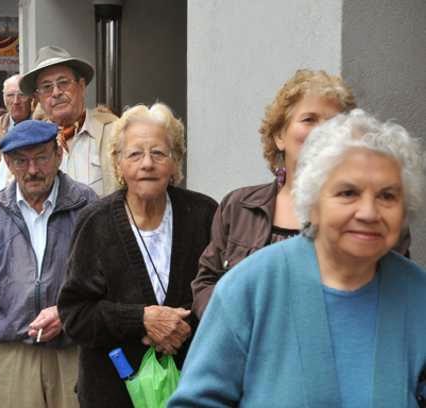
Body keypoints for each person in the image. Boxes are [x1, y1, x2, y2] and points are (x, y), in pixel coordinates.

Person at [169, 109, 426, 407]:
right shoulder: (251, 288)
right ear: (313, 202)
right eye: (348, 193)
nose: (369, 212)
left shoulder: (418, 295)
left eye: (387, 196)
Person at [191, 70, 411, 318]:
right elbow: (206, 282)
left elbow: (395, 293)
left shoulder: (376, 215)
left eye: (333, 123)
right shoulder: (238, 206)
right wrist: (238, 323)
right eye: (309, 119)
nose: (321, 131)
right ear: (279, 136)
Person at [57, 103, 218, 408]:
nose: (147, 164)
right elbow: (75, 315)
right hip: (112, 393)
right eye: (134, 154)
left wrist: (177, 327)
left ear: (175, 161)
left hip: (192, 391)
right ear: (118, 164)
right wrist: (141, 320)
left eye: (158, 153)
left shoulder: (204, 214)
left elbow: (222, 298)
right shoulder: (95, 222)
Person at [0, 120, 97, 407]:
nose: (32, 170)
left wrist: (67, 312)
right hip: (12, 351)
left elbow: (106, 281)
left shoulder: (87, 206)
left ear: (58, 155)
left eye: (41, 158)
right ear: (9, 164)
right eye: (21, 161)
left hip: (74, 348)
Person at [0, 46, 119, 197]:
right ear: (38, 98)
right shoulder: (23, 141)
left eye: (63, 83)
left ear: (81, 87)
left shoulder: (113, 133)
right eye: (47, 87)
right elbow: (0, 201)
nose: (56, 92)